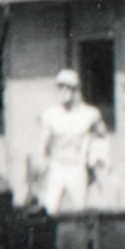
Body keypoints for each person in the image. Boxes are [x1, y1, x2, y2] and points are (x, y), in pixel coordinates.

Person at [37, 68, 108, 213]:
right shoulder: (51, 115)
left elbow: (103, 137)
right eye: (60, 86)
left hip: (77, 167)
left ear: (76, 89)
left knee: (79, 210)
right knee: (50, 209)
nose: (63, 90)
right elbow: (42, 145)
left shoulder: (90, 114)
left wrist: (96, 158)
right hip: (57, 166)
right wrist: (42, 167)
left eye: (68, 86)